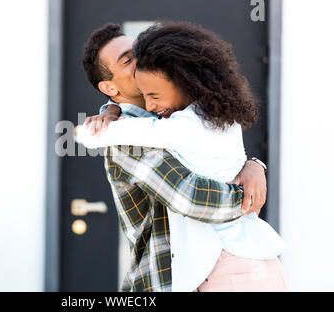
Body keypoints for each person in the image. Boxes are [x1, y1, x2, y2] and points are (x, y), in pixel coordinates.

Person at [77, 21, 287, 292]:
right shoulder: (128, 140)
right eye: (128, 60)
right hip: (172, 277)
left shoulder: (179, 113)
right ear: (109, 88)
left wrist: (254, 165)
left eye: (138, 50)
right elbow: (190, 198)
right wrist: (246, 196)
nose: (141, 59)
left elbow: (219, 155)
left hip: (226, 266)